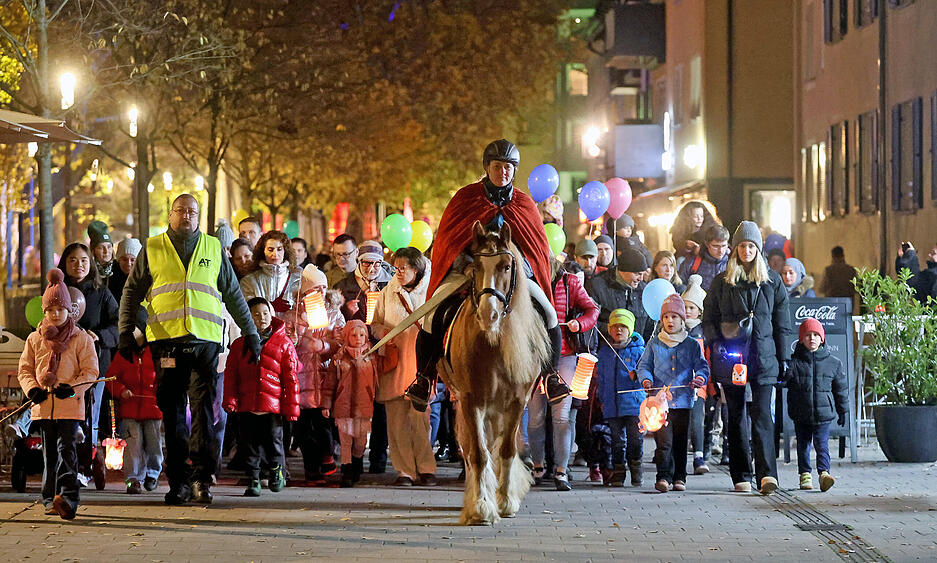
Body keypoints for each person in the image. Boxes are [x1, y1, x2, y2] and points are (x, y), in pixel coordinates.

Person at [118, 193, 261, 506]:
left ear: (199, 216)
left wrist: (251, 332)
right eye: (180, 210)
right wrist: (125, 332)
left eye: (192, 211)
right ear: (171, 214)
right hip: (166, 342)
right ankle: (179, 481)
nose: (186, 216)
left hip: (205, 342)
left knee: (203, 413)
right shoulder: (153, 248)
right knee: (172, 416)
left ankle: (201, 479)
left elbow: (233, 293)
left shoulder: (212, 247)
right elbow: (131, 293)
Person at [404, 139, 568, 410]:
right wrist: (466, 265)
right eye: (497, 166)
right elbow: (449, 241)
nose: (503, 172)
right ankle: (423, 378)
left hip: (511, 275)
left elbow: (535, 250)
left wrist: (515, 270)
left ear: (514, 171)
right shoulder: (466, 198)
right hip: (468, 270)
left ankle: (551, 375)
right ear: (487, 168)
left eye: (508, 167)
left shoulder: (524, 204)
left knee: (549, 313)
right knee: (432, 316)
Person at [703, 220, 792, 495]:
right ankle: (741, 474)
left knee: (763, 414)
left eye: (751, 246)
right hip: (733, 357)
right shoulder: (722, 282)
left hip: (764, 356)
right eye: (742, 245)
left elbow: (782, 323)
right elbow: (710, 319)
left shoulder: (772, 281)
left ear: (759, 248)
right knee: (736, 415)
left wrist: (783, 356)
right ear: (735, 249)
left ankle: (767, 475)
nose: (747, 250)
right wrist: (716, 344)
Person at [17, 268, 98, 520]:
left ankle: (68, 497)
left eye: (60, 310)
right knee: (49, 453)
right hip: (43, 407)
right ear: (44, 311)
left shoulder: (80, 339)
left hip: (70, 406)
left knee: (67, 451)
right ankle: (49, 497)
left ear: (68, 311)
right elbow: (25, 369)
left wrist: (72, 389)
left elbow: (91, 370)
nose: (55, 315)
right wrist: (32, 389)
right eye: (50, 310)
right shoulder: (34, 339)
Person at [528, 258, 599, 491]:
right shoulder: (527, 281)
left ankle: (561, 469)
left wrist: (580, 323)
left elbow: (592, 310)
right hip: (533, 355)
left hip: (565, 355)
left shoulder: (569, 282)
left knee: (561, 416)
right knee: (536, 416)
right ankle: (538, 466)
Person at [371, 247, 437, 486]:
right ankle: (404, 471)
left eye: (403, 268)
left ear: (417, 269)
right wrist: (384, 333)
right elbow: (375, 323)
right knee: (396, 422)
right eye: (396, 268)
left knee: (420, 420)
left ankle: (426, 468)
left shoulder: (431, 291)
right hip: (394, 362)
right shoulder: (388, 291)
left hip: (420, 364)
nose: (398, 272)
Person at [224, 297, 300, 496]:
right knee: (249, 445)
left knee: (275, 442)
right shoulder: (239, 345)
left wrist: (292, 408)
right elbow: (231, 376)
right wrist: (230, 400)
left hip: (272, 406)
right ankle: (253, 478)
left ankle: (276, 473)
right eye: (256, 314)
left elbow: (291, 378)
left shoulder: (284, 343)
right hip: (247, 405)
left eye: (265, 313)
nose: (261, 318)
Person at [637, 295, 709, 493]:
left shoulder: (692, 344)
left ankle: (680, 477)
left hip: (683, 401)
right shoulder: (654, 344)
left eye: (674, 317)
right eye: (666, 317)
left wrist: (700, 379)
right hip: (659, 403)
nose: (670, 321)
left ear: (682, 320)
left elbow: (702, 367)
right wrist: (646, 380)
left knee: (679, 441)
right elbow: (644, 366)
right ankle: (663, 476)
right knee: (664, 442)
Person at [58, 243, 119, 450]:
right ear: (64, 263)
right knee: (65, 413)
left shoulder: (101, 293)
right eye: (72, 260)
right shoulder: (57, 291)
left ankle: (88, 459)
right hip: (62, 366)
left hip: (94, 364)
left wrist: (99, 336)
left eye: (84, 260)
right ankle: (66, 460)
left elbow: (117, 324)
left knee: (91, 412)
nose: (79, 265)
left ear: (90, 263)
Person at [781, 318, 848, 492]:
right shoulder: (794, 364)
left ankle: (824, 473)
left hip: (823, 413)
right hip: (800, 413)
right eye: (808, 335)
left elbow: (840, 390)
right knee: (803, 444)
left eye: (816, 335)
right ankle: (805, 475)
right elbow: (782, 382)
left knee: (822, 444)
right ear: (801, 339)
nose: (812, 338)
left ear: (822, 338)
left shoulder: (833, 363)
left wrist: (843, 411)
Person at [331, 320, 398, 487]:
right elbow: (330, 382)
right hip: (343, 406)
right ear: (347, 336)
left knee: (360, 441)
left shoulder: (372, 356)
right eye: (353, 335)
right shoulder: (339, 357)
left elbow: (388, 363)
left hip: (364, 406)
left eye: (361, 335)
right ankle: (346, 470)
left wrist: (391, 346)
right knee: (346, 441)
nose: (358, 338)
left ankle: (357, 460)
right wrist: (326, 404)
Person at [294, 265, 344, 484]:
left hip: (324, 375)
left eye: (324, 287)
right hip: (302, 376)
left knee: (324, 424)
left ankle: (327, 459)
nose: (321, 291)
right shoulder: (295, 314)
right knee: (304, 427)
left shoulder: (333, 312)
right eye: (316, 287)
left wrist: (324, 345)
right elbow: (288, 342)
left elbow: (342, 340)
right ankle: (310, 468)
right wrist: (302, 337)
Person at [105, 324, 162, 494]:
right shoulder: (123, 356)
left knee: (153, 444)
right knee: (133, 447)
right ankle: (134, 479)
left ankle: (153, 474)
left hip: (152, 409)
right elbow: (110, 379)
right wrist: (121, 391)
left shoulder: (155, 353)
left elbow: (162, 377)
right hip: (130, 410)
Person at [594, 309, 645, 487]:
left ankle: (636, 468)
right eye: (615, 326)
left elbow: (648, 374)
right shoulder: (605, 353)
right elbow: (601, 378)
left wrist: (638, 376)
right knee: (616, 440)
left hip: (633, 404)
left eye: (623, 326)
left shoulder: (640, 351)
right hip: (612, 404)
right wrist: (602, 398)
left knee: (635, 438)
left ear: (630, 329)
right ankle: (619, 472)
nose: (619, 330)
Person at [239, 230, 302, 336]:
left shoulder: (298, 278)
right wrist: (270, 307)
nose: (275, 254)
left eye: (279, 249)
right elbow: (246, 309)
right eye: (270, 249)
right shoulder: (249, 280)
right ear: (263, 251)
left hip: (291, 336)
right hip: (260, 336)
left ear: (285, 251)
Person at [590, 247, 652, 342]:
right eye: (637, 274)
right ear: (623, 271)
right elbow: (590, 321)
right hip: (607, 349)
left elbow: (649, 324)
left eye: (643, 274)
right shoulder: (598, 285)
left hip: (637, 351)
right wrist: (612, 329)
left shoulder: (644, 290)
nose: (641, 279)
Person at [682, 274, 711, 475]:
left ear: (699, 311)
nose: (687, 311)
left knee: (697, 419)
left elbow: (708, 359)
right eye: (684, 307)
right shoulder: (676, 329)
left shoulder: (704, 332)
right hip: (678, 384)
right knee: (680, 421)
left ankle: (699, 456)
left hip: (698, 384)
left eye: (691, 308)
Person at [335, 240, 394, 323]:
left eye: (376, 263)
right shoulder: (342, 287)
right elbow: (334, 321)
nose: (371, 268)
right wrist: (346, 312)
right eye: (366, 263)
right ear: (359, 261)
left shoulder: (392, 286)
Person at [677, 225, 730, 291]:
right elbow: (679, 284)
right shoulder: (693, 263)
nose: (720, 250)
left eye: (724, 246)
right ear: (707, 244)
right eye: (716, 246)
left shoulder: (732, 263)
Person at [669, 201, 719, 265]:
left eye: (701, 216)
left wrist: (701, 249)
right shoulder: (679, 233)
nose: (699, 219)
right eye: (696, 216)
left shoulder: (712, 231)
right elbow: (677, 246)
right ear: (688, 218)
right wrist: (686, 246)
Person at [895, 242, 937, 306]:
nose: (929, 255)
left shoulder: (932, 275)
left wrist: (910, 254)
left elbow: (913, 281)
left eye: (933, 253)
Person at [108, 238, 142, 307]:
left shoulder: (145, 277)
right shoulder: (110, 279)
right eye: (124, 259)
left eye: (132, 260)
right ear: (118, 260)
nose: (128, 263)